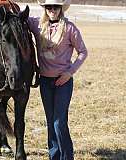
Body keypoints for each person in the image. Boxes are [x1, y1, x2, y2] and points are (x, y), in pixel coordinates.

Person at [28, 0, 88, 159]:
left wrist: (70, 72)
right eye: (49, 7)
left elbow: (83, 52)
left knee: (59, 122)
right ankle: (54, 156)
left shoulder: (70, 28)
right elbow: (18, 18)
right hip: (45, 82)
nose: (52, 9)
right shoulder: (37, 25)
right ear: (45, 9)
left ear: (61, 9)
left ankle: (67, 157)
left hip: (63, 82)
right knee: (50, 122)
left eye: (56, 7)